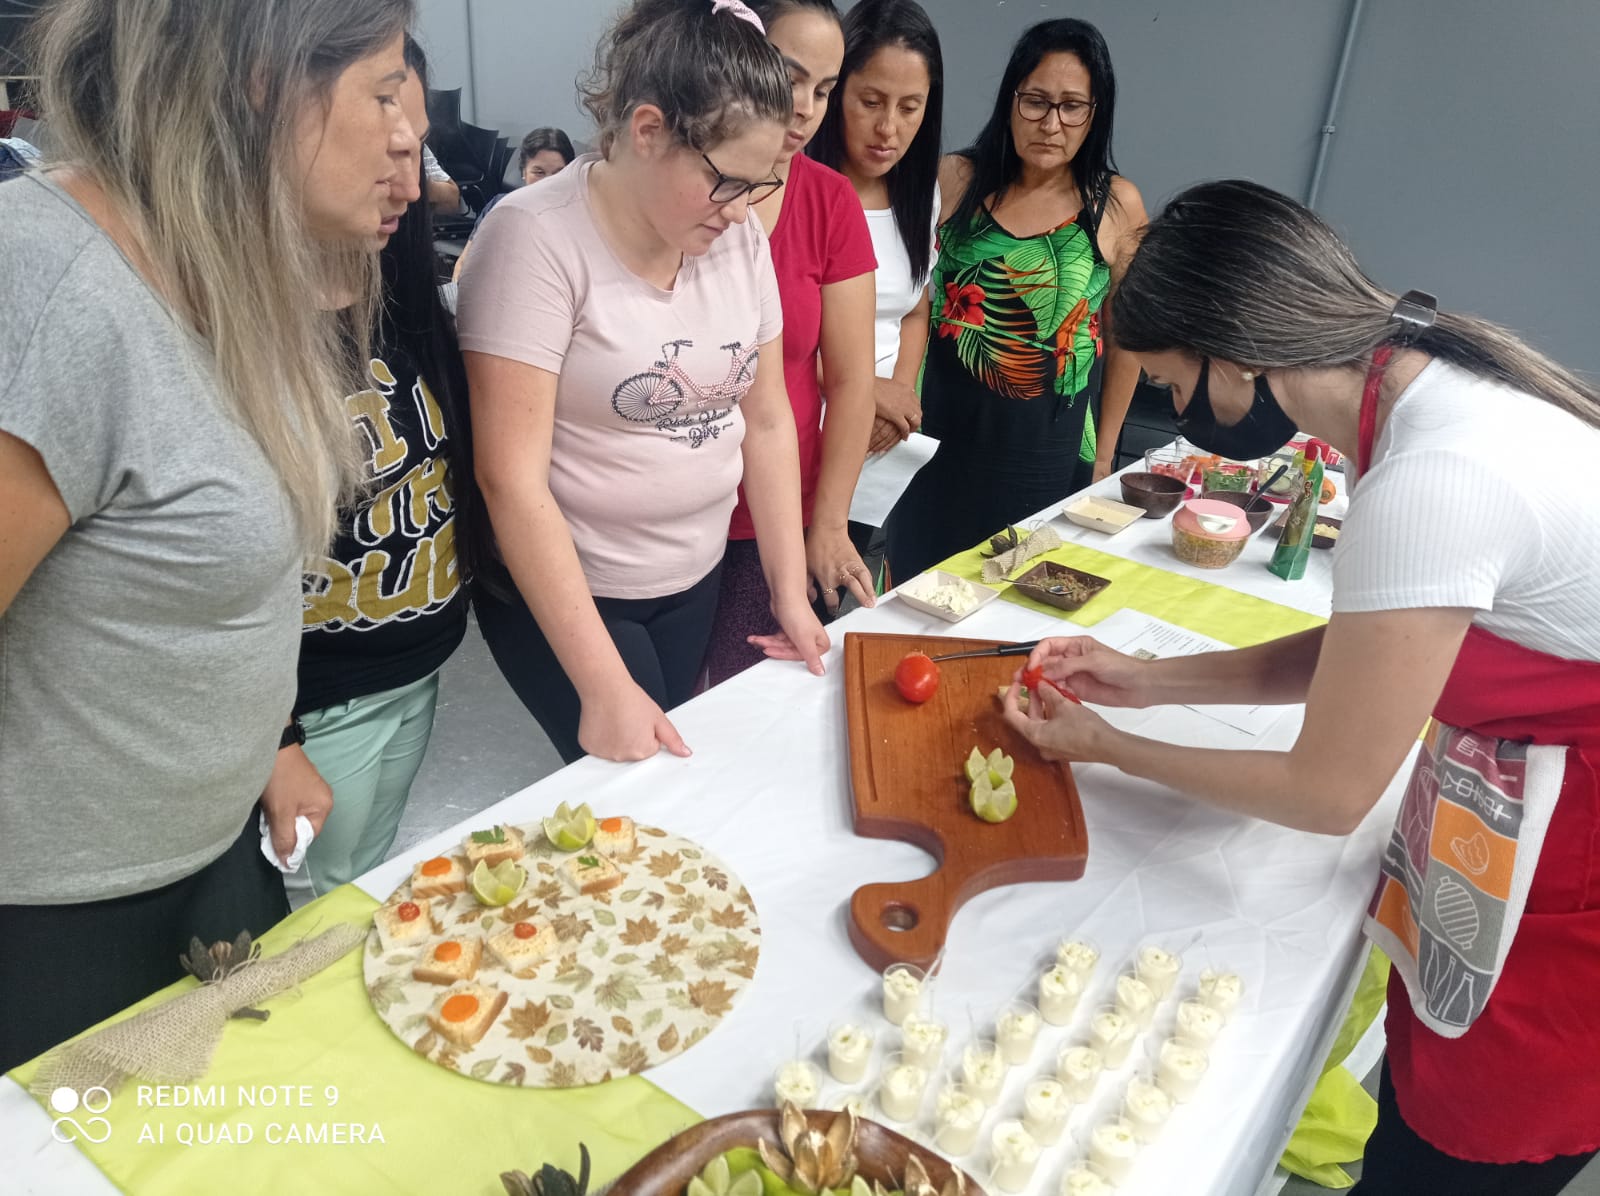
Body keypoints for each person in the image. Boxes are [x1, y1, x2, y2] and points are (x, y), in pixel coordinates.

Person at [1005, 180, 1600, 1195]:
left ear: (1232, 353)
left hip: (1570, 885)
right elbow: (1371, 650)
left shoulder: (1435, 474)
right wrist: (1144, 683)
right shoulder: (1427, 394)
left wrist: (1104, 746)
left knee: (1457, 1152)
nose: (1177, 412)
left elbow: (1326, 792)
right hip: (1530, 807)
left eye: (1173, 384)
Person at [0, 0, 417, 1071]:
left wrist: (269, 745)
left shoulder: (230, 267)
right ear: (263, 81)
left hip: (213, 857)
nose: (410, 131)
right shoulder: (46, 289)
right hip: (58, 921)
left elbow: (209, 566)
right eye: (381, 90)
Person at [458, 0, 830, 764]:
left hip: (691, 575)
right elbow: (510, 480)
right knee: (641, 781)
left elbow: (764, 422)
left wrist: (787, 592)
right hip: (579, 588)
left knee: (666, 772)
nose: (742, 211)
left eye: (761, 185)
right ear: (648, 130)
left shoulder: (738, 238)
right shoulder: (533, 239)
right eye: (727, 181)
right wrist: (600, 684)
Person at [290, 37, 477, 898]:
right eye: (387, 126)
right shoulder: (261, 329)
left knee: (363, 882)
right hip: (323, 693)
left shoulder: (399, 297)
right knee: (311, 910)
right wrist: (278, 736)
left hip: (420, 659)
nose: (410, 181)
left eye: (419, 145)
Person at [883, 18, 1148, 581]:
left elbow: (1127, 338)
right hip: (939, 441)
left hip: (1047, 450)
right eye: (1036, 101)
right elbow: (909, 303)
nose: (1051, 123)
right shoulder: (955, 179)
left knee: (1020, 603)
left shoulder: (1115, 204)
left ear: (1094, 114)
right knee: (918, 592)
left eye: (1072, 106)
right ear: (1010, 100)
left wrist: (1106, 451)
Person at [702, 0, 878, 685]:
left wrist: (828, 523)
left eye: (825, 90)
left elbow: (851, 382)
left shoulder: (829, 202)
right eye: (788, 76)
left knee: (740, 701)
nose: (803, 107)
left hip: (766, 522)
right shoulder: (682, 191)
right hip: (664, 523)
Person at [808, 0, 941, 454]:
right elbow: (772, 337)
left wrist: (897, 397)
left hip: (880, 442)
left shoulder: (920, 195)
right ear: (837, 90)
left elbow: (916, 310)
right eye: (871, 102)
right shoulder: (795, 188)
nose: (888, 127)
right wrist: (865, 390)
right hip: (799, 427)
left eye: (910, 108)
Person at [451, 126, 577, 282]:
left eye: (559, 173)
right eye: (539, 172)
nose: (548, 182)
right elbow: (464, 265)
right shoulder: (499, 207)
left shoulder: (579, 219)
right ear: (523, 172)